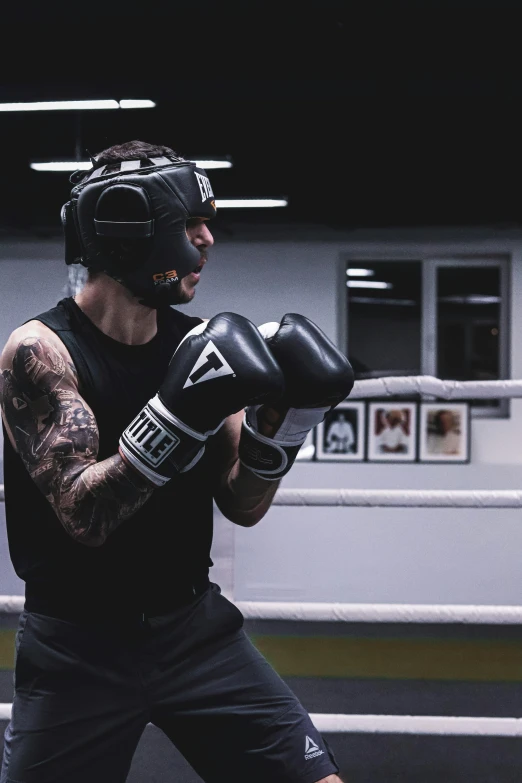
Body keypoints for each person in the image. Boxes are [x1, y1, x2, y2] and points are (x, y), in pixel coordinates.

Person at [0, 141, 354, 783]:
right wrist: (177, 415)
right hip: (78, 651)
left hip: (195, 632)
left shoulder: (198, 347)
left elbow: (242, 504)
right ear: (132, 230)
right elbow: (83, 516)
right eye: (191, 224)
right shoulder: (40, 351)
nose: (207, 240)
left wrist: (285, 426)